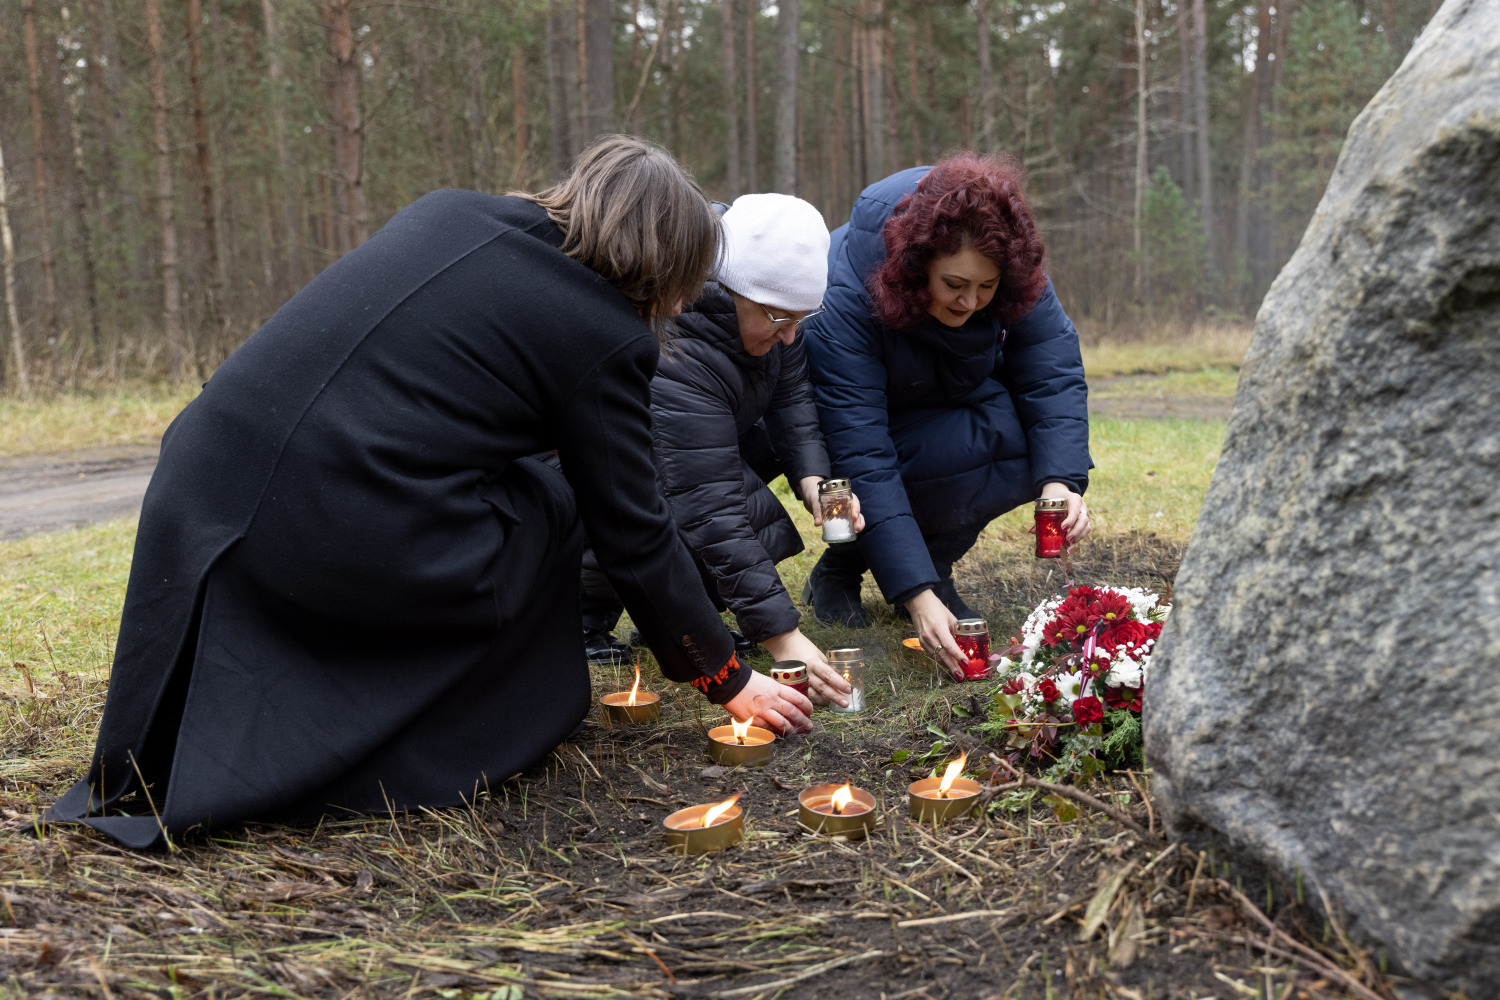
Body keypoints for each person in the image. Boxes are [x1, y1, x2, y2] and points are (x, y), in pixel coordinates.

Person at [44, 136, 813, 849]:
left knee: (528, 478)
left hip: (200, 481)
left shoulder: (449, 211)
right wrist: (723, 673)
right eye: (683, 287)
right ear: (661, 266)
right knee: (554, 500)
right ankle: (488, 711)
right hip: (327, 516)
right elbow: (633, 529)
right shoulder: (600, 332)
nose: (682, 308)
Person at [802, 154, 1093, 678]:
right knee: (870, 471)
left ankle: (932, 562)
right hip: (853, 426)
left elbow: (1051, 366)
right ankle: (843, 568)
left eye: (987, 288)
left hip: (942, 406)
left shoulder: (1006, 262)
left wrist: (1061, 481)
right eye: (955, 284)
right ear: (915, 268)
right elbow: (861, 449)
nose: (971, 303)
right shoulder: (846, 292)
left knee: (1026, 442)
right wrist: (917, 597)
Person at [578, 194, 862, 706]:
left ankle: (683, 615)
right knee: (668, 509)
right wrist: (784, 637)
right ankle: (582, 620)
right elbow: (707, 505)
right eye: (780, 319)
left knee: (745, 503)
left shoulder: (776, 321)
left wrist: (814, 481)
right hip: (588, 469)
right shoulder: (678, 342)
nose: (792, 334)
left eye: (804, 318)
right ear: (735, 292)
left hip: (690, 453)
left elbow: (793, 400)